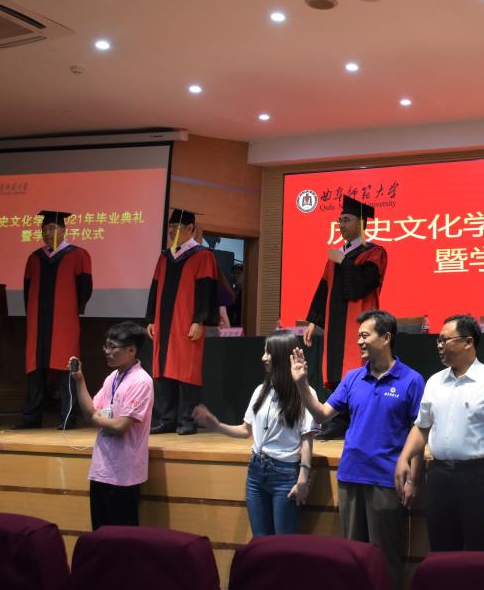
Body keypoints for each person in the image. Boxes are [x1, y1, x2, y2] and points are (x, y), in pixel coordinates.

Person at [291, 310, 423, 588]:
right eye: (358, 336)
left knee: (384, 560)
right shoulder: (352, 378)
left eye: (365, 335)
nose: (359, 341)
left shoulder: (411, 380)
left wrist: (414, 478)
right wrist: (302, 384)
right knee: (352, 557)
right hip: (350, 477)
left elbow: (419, 433)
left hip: (387, 481)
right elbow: (321, 414)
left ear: (386, 338)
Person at [395, 315, 484, 554]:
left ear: (468, 342)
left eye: (445, 340)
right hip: (439, 475)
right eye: (438, 341)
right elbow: (421, 427)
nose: (440, 345)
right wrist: (404, 458)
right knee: (441, 549)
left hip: (477, 476)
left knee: (480, 552)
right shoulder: (434, 382)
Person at [194, 330, 316, 536]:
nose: (263, 358)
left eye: (268, 353)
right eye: (264, 352)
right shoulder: (261, 390)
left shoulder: (305, 393)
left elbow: (306, 439)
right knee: (260, 543)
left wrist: (303, 478)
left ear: (281, 356)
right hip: (256, 472)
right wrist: (216, 425)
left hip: (285, 474)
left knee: (285, 545)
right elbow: (245, 430)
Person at [70, 321, 153, 530]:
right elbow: (90, 411)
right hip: (101, 469)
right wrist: (80, 380)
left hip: (124, 474)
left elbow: (120, 426)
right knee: (100, 535)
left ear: (131, 350)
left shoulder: (141, 381)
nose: (107, 351)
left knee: (123, 540)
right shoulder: (112, 378)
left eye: (112, 347)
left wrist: (95, 418)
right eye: (105, 346)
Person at [17, 210, 93, 429]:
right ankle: (31, 418)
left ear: (63, 230)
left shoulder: (78, 255)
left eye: (52, 228)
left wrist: (73, 309)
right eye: (44, 229)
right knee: (35, 369)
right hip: (37, 321)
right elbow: (27, 289)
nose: (47, 233)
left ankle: (68, 417)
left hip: (64, 320)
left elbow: (85, 288)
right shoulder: (35, 258)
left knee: (66, 367)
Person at [146, 208, 219, 435]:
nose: (172, 231)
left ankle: (188, 419)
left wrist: (200, 320)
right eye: (170, 226)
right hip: (164, 323)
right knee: (164, 372)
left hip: (186, 323)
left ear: (191, 229)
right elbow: (155, 288)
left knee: (188, 372)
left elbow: (206, 290)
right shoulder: (165, 256)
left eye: (176, 227)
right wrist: (151, 318)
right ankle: (167, 419)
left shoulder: (203, 256)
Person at [304, 195, 389, 389]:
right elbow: (324, 288)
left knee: (357, 371)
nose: (341, 225)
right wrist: (313, 321)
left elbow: (365, 283)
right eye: (340, 221)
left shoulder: (374, 252)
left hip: (357, 322)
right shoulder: (336, 255)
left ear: (360, 223)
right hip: (335, 324)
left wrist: (343, 261)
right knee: (336, 375)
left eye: (346, 220)